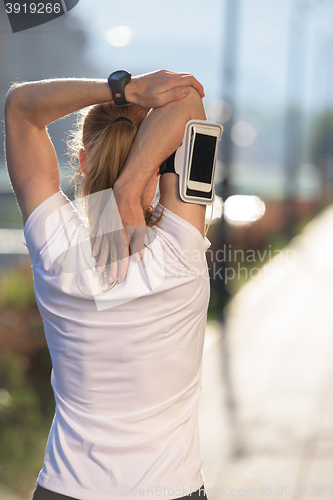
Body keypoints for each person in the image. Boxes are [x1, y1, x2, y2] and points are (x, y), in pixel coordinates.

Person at [4, 69, 211, 500]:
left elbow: (20, 108)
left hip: (65, 489)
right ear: (160, 170)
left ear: (81, 161)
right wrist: (131, 184)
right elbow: (188, 99)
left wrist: (124, 89)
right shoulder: (181, 250)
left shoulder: (55, 248)